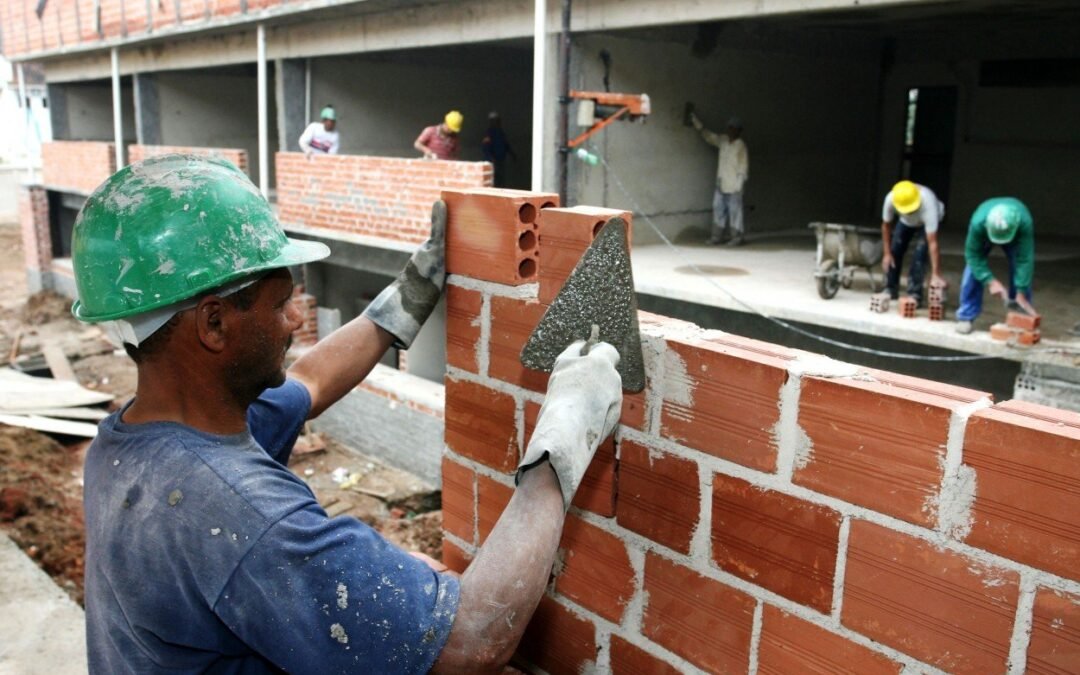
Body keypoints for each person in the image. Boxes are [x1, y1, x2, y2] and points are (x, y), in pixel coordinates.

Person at [72, 154, 623, 673]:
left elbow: (310, 382)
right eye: (280, 303)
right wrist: (566, 431)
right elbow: (471, 642)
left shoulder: (133, 443)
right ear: (213, 324)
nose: (294, 321)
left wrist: (410, 293)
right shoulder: (243, 517)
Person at [955, 197, 1036, 334]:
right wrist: (990, 280)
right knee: (972, 269)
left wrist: (1020, 290)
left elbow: (1025, 259)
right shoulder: (978, 223)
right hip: (985, 229)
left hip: (1014, 231)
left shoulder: (1024, 222)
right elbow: (973, 256)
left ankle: (1020, 312)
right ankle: (966, 315)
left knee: (1019, 265)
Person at [880, 180, 946, 305]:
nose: (909, 211)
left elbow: (933, 243)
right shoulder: (891, 198)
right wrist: (887, 253)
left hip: (926, 220)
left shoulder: (928, 202)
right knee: (895, 250)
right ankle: (890, 288)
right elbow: (886, 226)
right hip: (905, 222)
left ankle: (915, 293)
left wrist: (936, 273)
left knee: (920, 255)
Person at [690, 112, 749, 246]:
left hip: (735, 184)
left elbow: (743, 166)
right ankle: (717, 237)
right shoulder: (723, 141)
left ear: (739, 130)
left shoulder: (741, 145)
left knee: (735, 212)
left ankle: (737, 237)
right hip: (721, 183)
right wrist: (697, 124)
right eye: (729, 127)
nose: (730, 130)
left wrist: (740, 184)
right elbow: (709, 136)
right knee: (718, 209)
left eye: (733, 128)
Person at [481, 111, 516, 188]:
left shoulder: (501, 132)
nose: (497, 122)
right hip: (493, 161)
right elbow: (486, 147)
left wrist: (512, 155)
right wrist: (491, 158)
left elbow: (506, 144)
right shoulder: (489, 133)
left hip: (501, 160)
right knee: (494, 181)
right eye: (495, 120)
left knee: (500, 180)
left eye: (497, 120)